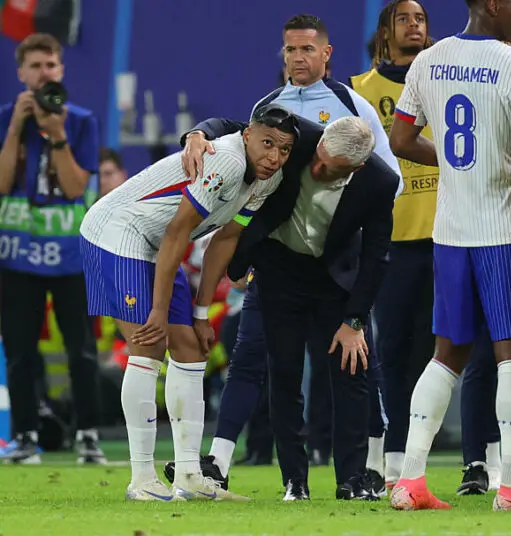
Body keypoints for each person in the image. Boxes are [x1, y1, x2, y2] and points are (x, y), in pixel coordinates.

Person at [173, 14, 401, 494]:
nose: (316, 168)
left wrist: (355, 320)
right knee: (277, 371)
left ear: (357, 168)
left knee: (351, 369)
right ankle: (292, 480)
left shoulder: (377, 178)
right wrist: (197, 133)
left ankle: (355, 478)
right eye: (289, 50)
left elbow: (377, 253)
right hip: (278, 267)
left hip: (335, 276)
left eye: (331, 169)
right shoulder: (297, 131)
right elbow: (236, 128)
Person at [388, 0, 511, 511]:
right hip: (505, 229)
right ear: (490, 5)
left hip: (450, 231)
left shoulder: (429, 60)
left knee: (447, 354)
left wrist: (455, 163)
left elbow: (401, 138)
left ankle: (410, 480)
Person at [79, 104, 299, 501]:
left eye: (283, 150)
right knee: (149, 342)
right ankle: (142, 478)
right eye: (268, 143)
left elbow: (224, 240)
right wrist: (160, 311)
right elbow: (179, 231)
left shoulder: (270, 179)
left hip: (158, 242)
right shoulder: (227, 162)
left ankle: (189, 477)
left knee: (193, 347)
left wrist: (199, 314)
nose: (274, 157)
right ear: (247, 135)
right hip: (118, 229)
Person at [350, 0, 447, 493]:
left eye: (422, 19)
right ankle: (385, 453)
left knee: (431, 351)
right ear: (385, 31)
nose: (415, 26)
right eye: (404, 19)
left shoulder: (444, 79)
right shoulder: (359, 92)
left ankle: (416, 458)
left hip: (444, 233)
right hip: (388, 237)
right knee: (385, 349)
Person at [0, 33, 105, 464]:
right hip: (16, 254)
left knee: (81, 349)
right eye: (36, 67)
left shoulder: (80, 121)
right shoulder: (7, 117)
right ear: (21, 73)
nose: (44, 74)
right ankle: (25, 437)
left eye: (51, 66)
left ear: (61, 71)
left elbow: (78, 185)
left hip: (70, 255)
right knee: (20, 350)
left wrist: (57, 134)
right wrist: (14, 129)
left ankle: (88, 435)